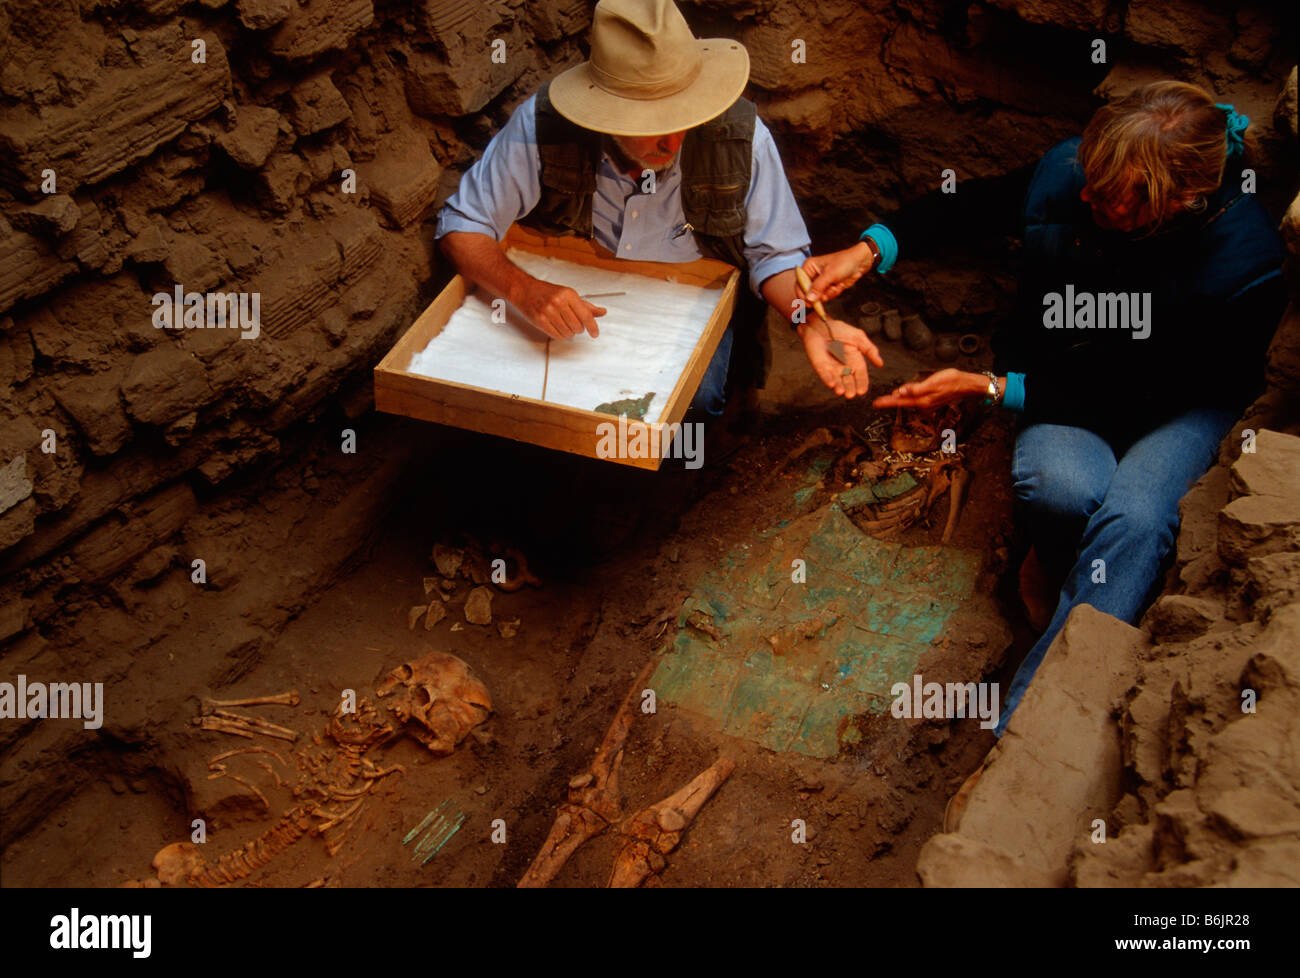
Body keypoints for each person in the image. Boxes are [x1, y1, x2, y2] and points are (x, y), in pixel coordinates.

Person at [807, 80, 1287, 814]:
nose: (1090, 203)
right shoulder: (1078, 179)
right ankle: (1057, 563)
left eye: (1116, 197)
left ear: (1179, 199)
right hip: (1063, 377)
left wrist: (999, 391)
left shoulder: (1242, 259)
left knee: (1135, 520)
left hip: (1177, 402)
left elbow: (1152, 385)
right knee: (1061, 489)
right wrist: (869, 250)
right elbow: (974, 205)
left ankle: (1027, 727)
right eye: (1089, 183)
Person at [436, 0, 891, 417]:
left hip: (688, 302)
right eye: (650, 124)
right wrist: (524, 291)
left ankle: (671, 486)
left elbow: (772, 258)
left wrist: (808, 322)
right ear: (604, 111)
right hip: (577, 289)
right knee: (524, 397)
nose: (672, 142)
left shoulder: (742, 139)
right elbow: (462, 225)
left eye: (684, 118)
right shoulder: (542, 127)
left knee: (699, 400)